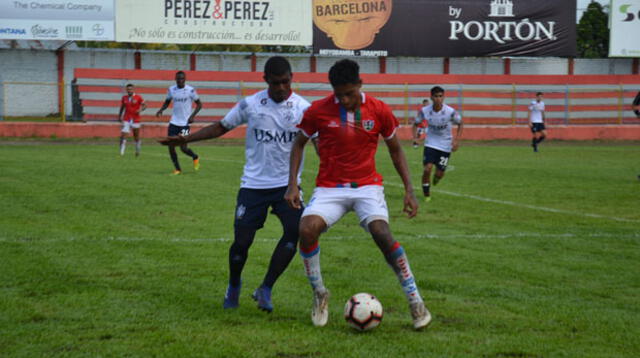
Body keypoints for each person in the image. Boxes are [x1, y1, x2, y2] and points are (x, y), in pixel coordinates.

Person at [284, 59, 432, 330]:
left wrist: (410, 190)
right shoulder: (318, 110)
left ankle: (415, 300)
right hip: (329, 188)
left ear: (360, 85)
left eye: (349, 93)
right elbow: (299, 144)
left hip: (367, 187)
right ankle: (319, 294)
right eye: (338, 94)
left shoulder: (379, 110)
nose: (344, 99)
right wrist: (292, 183)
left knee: (382, 233)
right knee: (306, 229)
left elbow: (396, 150)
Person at [159, 57, 311, 313]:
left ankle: (266, 288)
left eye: (286, 82)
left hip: (287, 186)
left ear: (292, 78)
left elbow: (319, 141)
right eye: (276, 83)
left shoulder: (304, 109)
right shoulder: (250, 104)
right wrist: (183, 138)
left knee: (296, 231)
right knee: (241, 242)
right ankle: (234, 285)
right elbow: (220, 127)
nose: (282, 88)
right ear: (266, 80)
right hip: (253, 185)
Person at [416, 86, 463, 202]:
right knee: (427, 169)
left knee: (439, 173)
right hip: (430, 143)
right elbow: (415, 123)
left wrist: (456, 140)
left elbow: (460, 123)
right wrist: (415, 138)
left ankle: (437, 178)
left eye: (440, 96)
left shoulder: (450, 112)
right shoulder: (424, 111)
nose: (438, 99)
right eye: (436, 96)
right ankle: (426, 195)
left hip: (445, 145)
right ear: (431, 97)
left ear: (443, 97)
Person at [156, 71, 202, 175]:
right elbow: (167, 102)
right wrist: (161, 109)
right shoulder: (171, 89)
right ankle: (177, 169)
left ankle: (195, 157)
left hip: (185, 124)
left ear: (185, 79)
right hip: (173, 123)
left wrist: (192, 116)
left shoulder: (191, 90)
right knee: (170, 146)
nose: (180, 80)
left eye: (182, 79)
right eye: (178, 79)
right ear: (175, 79)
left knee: (183, 148)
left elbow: (199, 104)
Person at [118, 83, 146, 156]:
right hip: (126, 118)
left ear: (133, 89)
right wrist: (119, 115)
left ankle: (137, 150)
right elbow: (122, 107)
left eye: (130, 89)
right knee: (124, 135)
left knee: (136, 136)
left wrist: (140, 110)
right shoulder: (124, 98)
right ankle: (121, 153)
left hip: (136, 119)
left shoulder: (138, 97)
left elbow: (145, 105)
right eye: (128, 89)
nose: (129, 90)